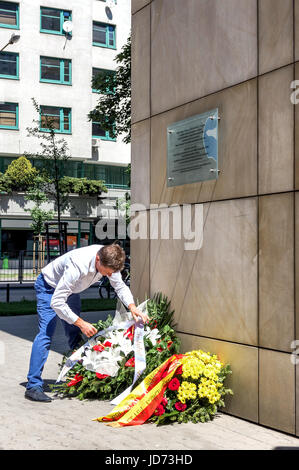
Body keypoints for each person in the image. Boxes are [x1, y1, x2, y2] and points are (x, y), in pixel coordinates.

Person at [25, 243, 149, 402]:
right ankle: (33, 385)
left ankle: (80, 377)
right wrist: (81, 322)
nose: (108, 276)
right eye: (106, 272)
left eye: (111, 273)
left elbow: (119, 286)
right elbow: (57, 302)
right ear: (98, 259)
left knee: (74, 333)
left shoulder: (110, 259)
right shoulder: (78, 264)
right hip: (49, 288)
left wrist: (132, 307)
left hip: (71, 291)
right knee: (46, 334)